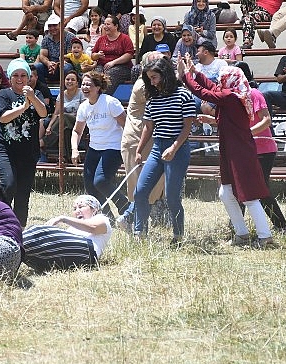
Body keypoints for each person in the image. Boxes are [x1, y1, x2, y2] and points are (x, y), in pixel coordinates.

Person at [180, 60, 274, 247]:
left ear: (229, 81)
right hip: (231, 149)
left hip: (240, 151)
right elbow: (212, 88)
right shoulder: (234, 93)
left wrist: (185, 76)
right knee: (226, 192)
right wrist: (196, 74)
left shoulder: (231, 97)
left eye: (222, 80)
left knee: (248, 195)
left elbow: (204, 92)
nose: (220, 83)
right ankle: (242, 234)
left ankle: (265, 236)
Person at [198, 83, 286, 234]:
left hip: (263, 150)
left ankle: (280, 226)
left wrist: (246, 134)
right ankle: (237, 227)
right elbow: (234, 122)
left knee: (261, 189)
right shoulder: (233, 97)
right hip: (244, 149)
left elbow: (266, 120)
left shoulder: (255, 94)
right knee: (238, 187)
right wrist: (212, 119)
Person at [132, 57, 194, 245]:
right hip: (158, 147)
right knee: (140, 192)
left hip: (178, 148)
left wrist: (174, 147)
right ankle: (139, 232)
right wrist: (139, 149)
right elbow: (148, 128)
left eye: (154, 77)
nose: (152, 82)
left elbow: (187, 127)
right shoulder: (154, 99)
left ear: (165, 75)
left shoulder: (183, 95)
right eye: (149, 78)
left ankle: (178, 235)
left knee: (172, 197)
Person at [116, 51, 167, 232]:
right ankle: (135, 224)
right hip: (137, 141)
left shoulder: (151, 83)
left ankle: (131, 219)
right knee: (142, 187)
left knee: (148, 187)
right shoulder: (144, 85)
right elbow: (165, 98)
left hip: (148, 141)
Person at [0, 59, 48, 227]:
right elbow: (3, 118)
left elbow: (43, 113)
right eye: (16, 75)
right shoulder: (4, 94)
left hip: (28, 151)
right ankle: (0, 220)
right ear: (10, 78)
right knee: (8, 185)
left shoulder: (36, 94)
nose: (20, 79)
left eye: (23, 75)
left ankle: (19, 229)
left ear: (29, 77)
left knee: (23, 193)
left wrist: (32, 97)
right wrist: (24, 107)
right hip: (6, 149)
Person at [71, 71, 129, 219]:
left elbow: (126, 125)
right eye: (83, 84)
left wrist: (129, 147)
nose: (85, 87)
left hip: (113, 147)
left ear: (98, 87)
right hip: (95, 148)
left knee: (101, 181)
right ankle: (106, 217)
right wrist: (74, 149)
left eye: (88, 84)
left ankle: (127, 208)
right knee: (90, 185)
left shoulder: (110, 102)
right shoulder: (84, 107)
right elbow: (77, 131)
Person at [22, 195, 112, 272]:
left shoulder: (101, 219)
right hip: (72, 254)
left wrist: (63, 218)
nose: (77, 211)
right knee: (34, 244)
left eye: (81, 207)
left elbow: (93, 227)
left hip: (88, 251)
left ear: (94, 210)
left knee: (39, 231)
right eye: (75, 208)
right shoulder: (73, 228)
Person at [41, 70, 85, 162]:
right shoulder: (61, 94)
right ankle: (65, 158)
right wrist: (49, 127)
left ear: (77, 83)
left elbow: (83, 112)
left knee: (64, 117)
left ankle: (44, 142)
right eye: (67, 79)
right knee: (65, 128)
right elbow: (56, 113)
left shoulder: (81, 93)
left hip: (79, 122)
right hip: (64, 123)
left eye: (72, 80)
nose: (69, 81)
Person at [92, 15, 135, 95]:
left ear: (116, 26)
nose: (105, 26)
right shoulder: (101, 39)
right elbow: (93, 55)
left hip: (122, 67)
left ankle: (103, 97)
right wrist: (97, 55)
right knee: (96, 76)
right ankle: (95, 97)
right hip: (102, 65)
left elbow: (129, 55)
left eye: (108, 24)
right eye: (104, 24)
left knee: (109, 74)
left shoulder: (125, 38)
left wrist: (113, 62)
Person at [35, 14, 76, 83]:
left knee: (66, 67)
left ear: (60, 25)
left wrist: (58, 64)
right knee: (37, 67)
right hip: (50, 67)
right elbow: (42, 55)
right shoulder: (46, 38)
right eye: (50, 26)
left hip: (64, 65)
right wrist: (48, 63)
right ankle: (43, 90)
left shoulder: (70, 37)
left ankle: (66, 91)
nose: (52, 28)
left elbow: (71, 56)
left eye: (54, 25)